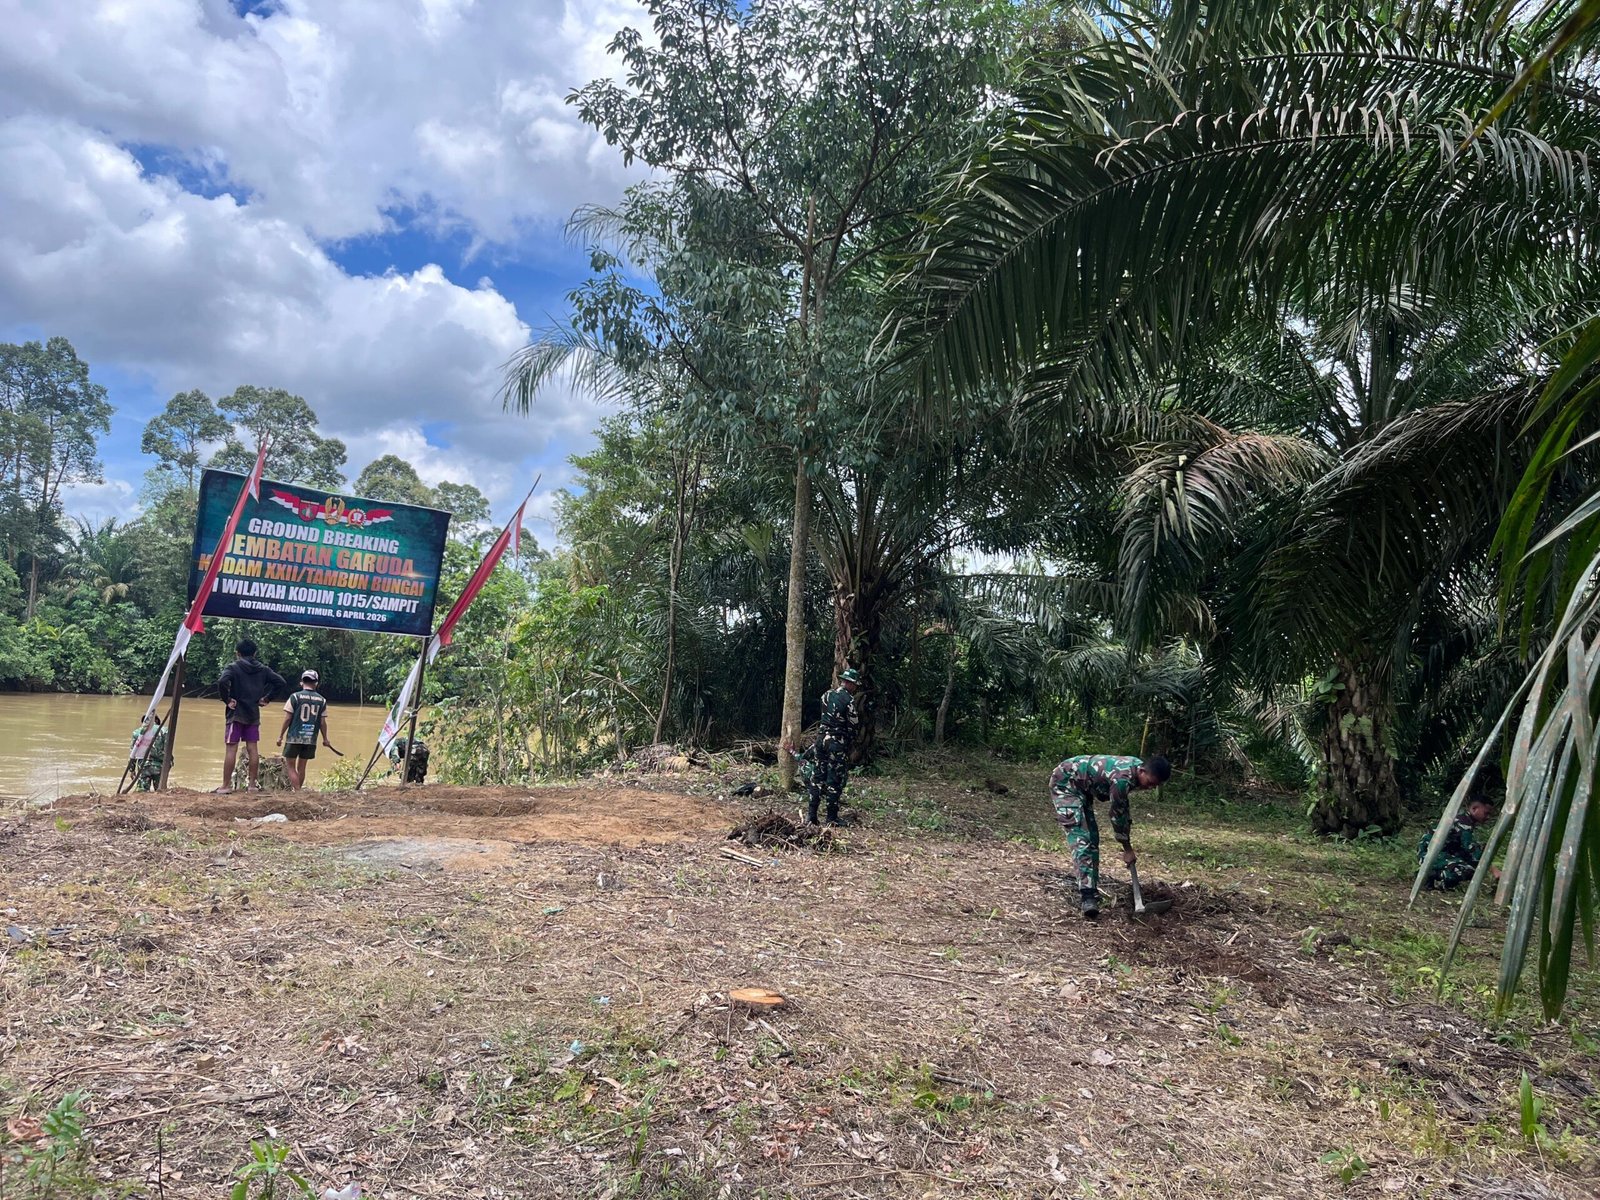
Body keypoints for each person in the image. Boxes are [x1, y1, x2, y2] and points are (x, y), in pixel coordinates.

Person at [1048, 752, 1172, 918]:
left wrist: (1127, 842)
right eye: (1150, 783)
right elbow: (1117, 816)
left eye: (1154, 786)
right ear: (1142, 771)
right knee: (1082, 839)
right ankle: (1087, 896)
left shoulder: (1135, 770)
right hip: (1066, 782)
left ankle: (1091, 888)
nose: (1150, 788)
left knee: (1093, 838)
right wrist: (1127, 849)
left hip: (1083, 787)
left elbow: (1123, 809)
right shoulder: (1122, 779)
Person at [788, 667, 864, 826]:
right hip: (837, 743)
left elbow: (824, 715)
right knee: (834, 779)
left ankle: (811, 816)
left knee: (817, 777)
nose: (855, 688)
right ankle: (831, 817)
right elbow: (853, 725)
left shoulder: (826, 695)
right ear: (850, 684)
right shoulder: (849, 700)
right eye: (855, 685)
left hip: (821, 740)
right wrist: (849, 741)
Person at [216, 638, 287, 793]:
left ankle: (225, 786)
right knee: (252, 748)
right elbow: (280, 682)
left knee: (231, 748)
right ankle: (252, 785)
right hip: (253, 714)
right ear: (254, 653)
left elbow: (222, 681)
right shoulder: (263, 669)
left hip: (236, 713)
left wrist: (227, 699)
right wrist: (267, 698)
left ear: (238, 653)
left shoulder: (233, 667)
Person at [276, 670, 340, 790]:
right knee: (302, 767)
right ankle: (299, 791)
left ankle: (297, 792)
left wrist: (280, 736)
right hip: (310, 738)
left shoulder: (295, 697)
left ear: (302, 682)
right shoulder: (322, 700)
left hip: (294, 737)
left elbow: (288, 718)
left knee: (290, 766)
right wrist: (325, 739)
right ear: (316, 683)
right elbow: (322, 722)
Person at [1418, 797, 1498, 890]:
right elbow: (1472, 851)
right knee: (1467, 869)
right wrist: (1494, 870)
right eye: (1486, 813)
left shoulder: (1463, 819)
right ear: (1474, 809)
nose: (1488, 817)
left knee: (1471, 864)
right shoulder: (1463, 822)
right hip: (1431, 854)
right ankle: (1429, 876)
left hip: (1441, 852)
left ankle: (1432, 875)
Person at [129, 715, 167, 792]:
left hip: (143, 767)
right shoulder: (164, 731)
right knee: (161, 791)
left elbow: (133, 753)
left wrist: (132, 770)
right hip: (159, 766)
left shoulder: (137, 732)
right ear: (157, 721)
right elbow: (168, 750)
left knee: (142, 791)